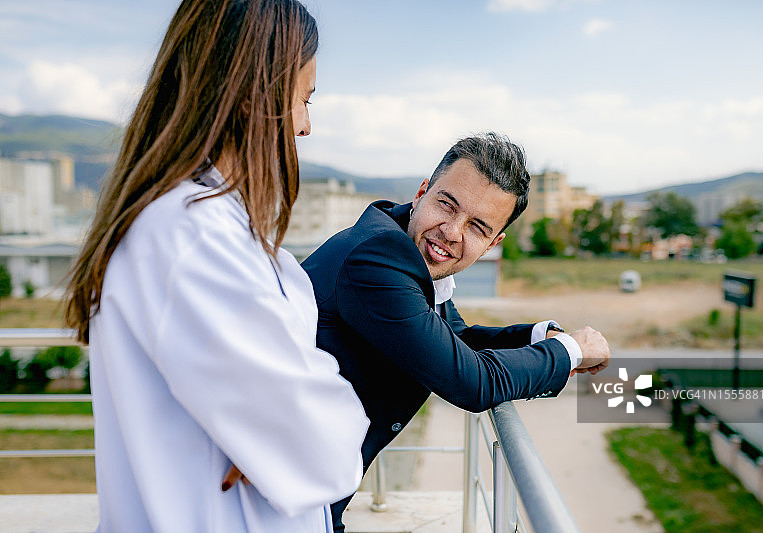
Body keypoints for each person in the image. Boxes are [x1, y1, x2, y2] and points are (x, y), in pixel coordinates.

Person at [64, 1, 368, 531]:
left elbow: (302, 424)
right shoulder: (189, 237)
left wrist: (282, 427)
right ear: (256, 94)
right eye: (303, 98)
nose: (305, 126)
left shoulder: (206, 226)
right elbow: (324, 449)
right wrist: (292, 427)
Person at [302, 133, 611, 532]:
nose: (451, 231)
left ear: (493, 243)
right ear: (422, 192)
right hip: (278, 496)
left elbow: (456, 338)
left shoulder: (402, 247)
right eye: (447, 205)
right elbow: (471, 381)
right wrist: (570, 351)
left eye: (477, 227)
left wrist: (539, 337)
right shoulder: (376, 261)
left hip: (313, 490)